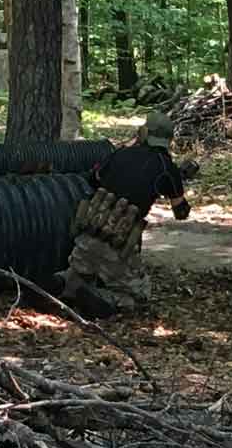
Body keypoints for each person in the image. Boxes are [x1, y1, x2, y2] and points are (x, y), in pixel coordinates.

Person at [60, 111, 193, 315]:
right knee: (137, 297)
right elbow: (181, 212)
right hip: (118, 244)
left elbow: (93, 179)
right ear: (169, 139)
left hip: (86, 236)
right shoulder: (167, 168)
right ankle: (102, 299)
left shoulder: (120, 153)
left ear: (144, 132)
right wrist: (178, 181)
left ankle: (60, 285)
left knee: (77, 274)